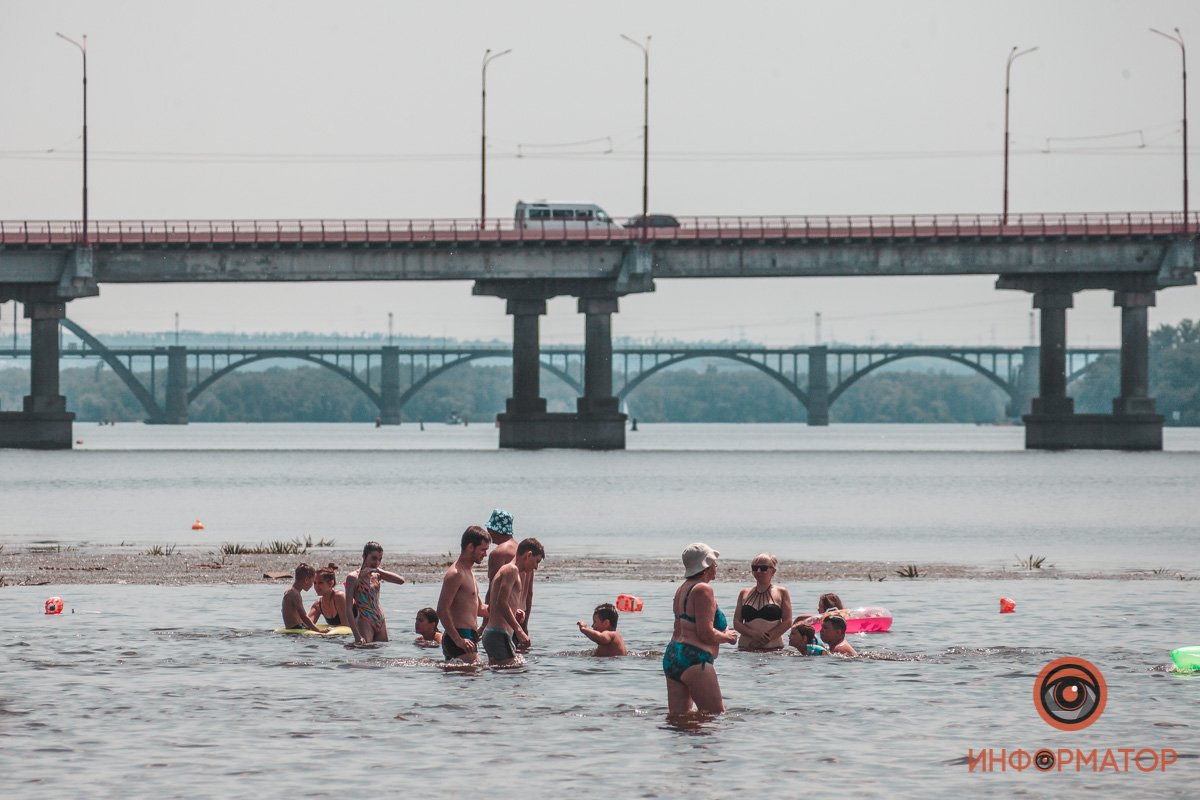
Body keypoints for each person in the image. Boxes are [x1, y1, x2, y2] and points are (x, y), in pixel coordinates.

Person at [663, 543, 738, 715]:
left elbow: (678, 628)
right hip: (695, 659)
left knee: (679, 720)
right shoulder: (703, 589)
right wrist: (728, 637)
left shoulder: (681, 589)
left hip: (673, 656)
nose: (716, 567)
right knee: (715, 717)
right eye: (713, 563)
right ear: (705, 566)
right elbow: (705, 633)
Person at [482, 538, 544, 664]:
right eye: (537, 561)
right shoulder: (511, 569)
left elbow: (502, 602)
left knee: (500, 676)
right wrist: (519, 630)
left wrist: (515, 612)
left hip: (495, 634)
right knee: (514, 673)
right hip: (499, 634)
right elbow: (501, 602)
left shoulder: (511, 570)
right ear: (529, 555)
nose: (536, 567)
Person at [436, 526, 490, 664]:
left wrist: (509, 612)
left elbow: (480, 609)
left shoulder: (469, 572)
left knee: (471, 680)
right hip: (459, 635)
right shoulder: (456, 573)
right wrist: (458, 640)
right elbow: (442, 610)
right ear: (470, 546)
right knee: (472, 680)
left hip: (469, 636)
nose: (485, 554)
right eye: (483, 549)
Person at [344, 541, 407, 645]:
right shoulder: (353, 577)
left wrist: (379, 571)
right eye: (373, 558)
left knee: (381, 652)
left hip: (380, 619)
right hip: (365, 619)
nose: (377, 562)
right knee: (364, 650)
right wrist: (356, 635)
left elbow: (401, 581)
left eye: (380, 559)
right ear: (364, 556)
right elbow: (348, 609)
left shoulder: (376, 574)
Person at [733, 553, 793, 651]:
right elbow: (737, 622)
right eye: (755, 568)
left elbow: (787, 621)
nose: (758, 571)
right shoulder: (744, 593)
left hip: (773, 648)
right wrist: (753, 634)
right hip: (746, 649)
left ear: (773, 571)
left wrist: (766, 638)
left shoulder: (781, 592)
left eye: (763, 568)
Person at [282, 563, 322, 631]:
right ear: (306, 580)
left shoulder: (288, 592)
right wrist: (318, 630)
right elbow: (304, 616)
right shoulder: (295, 594)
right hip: (297, 628)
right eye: (312, 581)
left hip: (291, 627)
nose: (312, 585)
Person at [307, 563, 348, 628]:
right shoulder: (318, 605)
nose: (316, 586)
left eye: (320, 582)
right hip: (335, 636)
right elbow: (307, 625)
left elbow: (346, 625)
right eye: (314, 583)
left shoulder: (340, 597)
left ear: (331, 583)